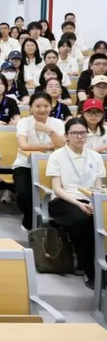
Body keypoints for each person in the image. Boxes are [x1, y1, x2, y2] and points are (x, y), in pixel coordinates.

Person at [46, 118, 105, 289]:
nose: (79, 136)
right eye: (74, 133)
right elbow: (57, 189)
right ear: (66, 136)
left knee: (98, 219)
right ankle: (89, 270)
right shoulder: (57, 156)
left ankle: (99, 264)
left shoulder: (95, 156)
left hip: (89, 200)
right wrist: (79, 204)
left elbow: (98, 186)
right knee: (84, 220)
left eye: (83, 133)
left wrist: (94, 203)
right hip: (63, 200)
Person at [13, 92, 67, 230]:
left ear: (51, 107)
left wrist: (49, 131)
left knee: (56, 193)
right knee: (24, 193)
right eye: (38, 106)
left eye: (46, 106)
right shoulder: (24, 122)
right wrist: (48, 146)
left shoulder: (57, 123)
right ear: (31, 108)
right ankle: (30, 221)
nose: (42, 110)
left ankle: (48, 221)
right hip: (25, 164)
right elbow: (23, 145)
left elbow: (62, 145)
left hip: (52, 165)